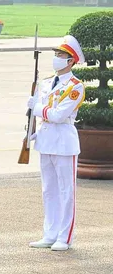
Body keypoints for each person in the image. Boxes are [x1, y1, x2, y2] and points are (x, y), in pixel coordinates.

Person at [29, 35, 86, 252]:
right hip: (45, 141)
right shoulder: (44, 83)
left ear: (71, 60)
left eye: (61, 55)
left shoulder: (75, 86)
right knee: (48, 190)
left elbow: (59, 115)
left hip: (64, 142)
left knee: (66, 191)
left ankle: (65, 236)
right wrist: (31, 132)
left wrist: (37, 108)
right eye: (56, 55)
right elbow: (40, 115)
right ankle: (50, 233)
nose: (56, 58)